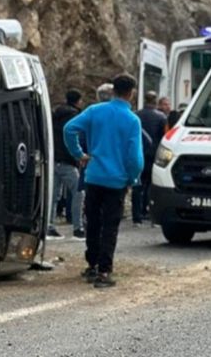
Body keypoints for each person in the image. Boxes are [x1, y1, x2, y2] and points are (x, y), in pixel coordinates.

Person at [64, 74, 144, 288]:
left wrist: (79, 154)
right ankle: (104, 271)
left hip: (94, 176)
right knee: (110, 226)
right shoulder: (132, 120)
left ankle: (91, 264)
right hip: (116, 181)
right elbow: (135, 158)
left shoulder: (94, 111)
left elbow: (69, 129)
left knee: (93, 222)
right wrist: (132, 177)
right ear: (131, 93)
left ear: (114, 90)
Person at [50, 89, 85, 240]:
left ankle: (49, 226)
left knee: (54, 195)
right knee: (78, 192)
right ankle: (78, 228)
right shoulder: (75, 117)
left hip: (54, 159)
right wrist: (79, 155)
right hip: (67, 161)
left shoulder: (55, 114)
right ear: (78, 101)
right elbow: (75, 138)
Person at [134, 91, 166, 226]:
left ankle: (137, 215)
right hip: (153, 154)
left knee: (138, 184)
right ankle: (148, 211)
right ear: (155, 101)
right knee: (151, 184)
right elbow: (164, 136)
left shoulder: (136, 115)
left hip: (139, 152)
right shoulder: (161, 117)